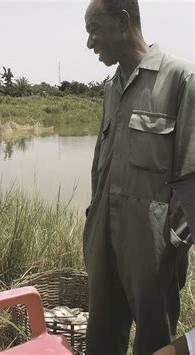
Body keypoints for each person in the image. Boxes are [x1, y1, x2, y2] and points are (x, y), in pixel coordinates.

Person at [83, 0, 194, 354]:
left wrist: (171, 245)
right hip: (104, 240)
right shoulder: (111, 87)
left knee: (154, 342)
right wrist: (93, 225)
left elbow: (191, 176)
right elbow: (102, 164)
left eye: (94, 30)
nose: (90, 43)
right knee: (101, 336)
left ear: (123, 22)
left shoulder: (181, 79)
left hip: (152, 249)